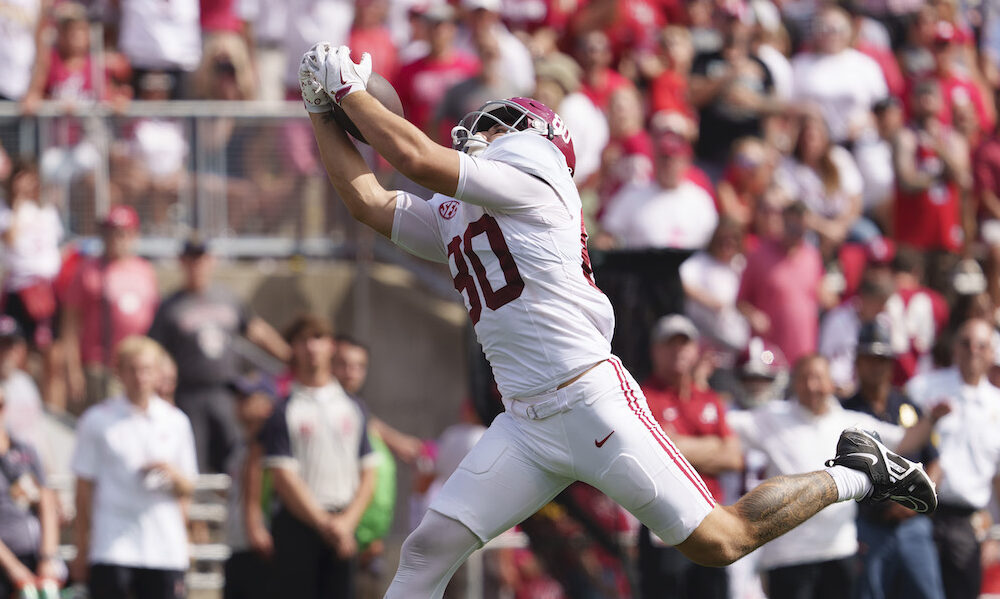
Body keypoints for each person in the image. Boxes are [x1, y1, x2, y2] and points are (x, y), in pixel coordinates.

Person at [298, 43, 939, 598]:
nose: (481, 127)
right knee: (426, 549)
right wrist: (322, 110)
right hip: (524, 423)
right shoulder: (463, 210)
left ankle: (856, 473)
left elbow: (411, 157)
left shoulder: (535, 171)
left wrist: (348, 89)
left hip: (589, 399)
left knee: (720, 540)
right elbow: (369, 201)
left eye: (500, 123)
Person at [729, 354, 938, 599]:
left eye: (817, 378)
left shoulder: (850, 423)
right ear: (793, 383)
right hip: (787, 555)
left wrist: (933, 418)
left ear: (831, 383)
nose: (811, 386)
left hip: (839, 551)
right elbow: (726, 424)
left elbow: (903, 440)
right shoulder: (772, 416)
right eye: (804, 378)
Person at [70, 335, 198, 599]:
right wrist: (82, 546)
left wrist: (172, 475)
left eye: (147, 370)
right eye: (133, 369)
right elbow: (83, 489)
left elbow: (188, 486)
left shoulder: (175, 421)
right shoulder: (98, 420)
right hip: (113, 544)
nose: (140, 377)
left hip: (164, 546)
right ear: (119, 373)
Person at [259, 315, 377, 598]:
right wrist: (326, 525)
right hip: (299, 526)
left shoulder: (353, 406)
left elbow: (369, 473)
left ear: (331, 346)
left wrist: (346, 523)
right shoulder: (282, 410)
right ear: (293, 348)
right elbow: (284, 478)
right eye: (303, 340)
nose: (312, 347)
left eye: (319, 338)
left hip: (343, 525)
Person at [149, 236, 289, 473]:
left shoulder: (228, 298)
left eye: (202, 259)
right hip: (189, 392)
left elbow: (255, 329)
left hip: (226, 391)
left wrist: (289, 356)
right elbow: (156, 351)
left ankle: (229, 507)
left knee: (232, 455)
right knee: (194, 458)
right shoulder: (170, 306)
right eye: (191, 260)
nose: (197, 266)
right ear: (182, 262)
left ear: (211, 261)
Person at [638, 315, 742, 599]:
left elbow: (733, 457)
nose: (678, 351)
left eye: (684, 344)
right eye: (669, 344)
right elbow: (655, 455)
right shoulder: (640, 397)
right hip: (665, 523)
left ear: (695, 350)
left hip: (712, 519)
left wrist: (679, 445)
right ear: (654, 351)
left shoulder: (708, 399)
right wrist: (712, 446)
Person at [842, 320, 947, 599]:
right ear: (857, 362)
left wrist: (921, 500)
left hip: (913, 524)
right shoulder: (845, 411)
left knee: (929, 593)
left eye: (882, 359)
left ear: (891, 363)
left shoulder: (908, 405)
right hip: (866, 524)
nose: (877, 366)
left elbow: (935, 463)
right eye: (869, 358)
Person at [905, 318, 1000, 599]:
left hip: (968, 522)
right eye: (966, 343)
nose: (973, 351)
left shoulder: (998, 403)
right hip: (919, 513)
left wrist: (997, 534)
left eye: (982, 345)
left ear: (992, 352)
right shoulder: (923, 388)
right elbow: (903, 445)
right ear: (954, 348)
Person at [62, 206, 160, 410]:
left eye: (124, 233)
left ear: (134, 235)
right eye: (112, 233)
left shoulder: (144, 270)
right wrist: (73, 370)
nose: (118, 239)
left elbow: (155, 321)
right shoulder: (88, 271)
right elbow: (70, 325)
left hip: (138, 368)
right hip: (100, 366)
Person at [0, 159, 64, 411]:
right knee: (16, 354)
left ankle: (54, 410)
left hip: (46, 289)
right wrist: (16, 204)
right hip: (19, 288)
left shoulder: (46, 212)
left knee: (52, 355)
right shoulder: (5, 211)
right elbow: (11, 239)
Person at [737, 201, 827, 366]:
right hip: (769, 353)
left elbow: (821, 297)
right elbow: (740, 301)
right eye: (791, 226)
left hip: (803, 353)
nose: (796, 233)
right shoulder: (759, 255)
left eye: (801, 229)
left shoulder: (812, 257)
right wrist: (754, 315)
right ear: (782, 222)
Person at [600, 132, 719, 250]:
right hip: (641, 265)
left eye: (674, 159)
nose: (668, 165)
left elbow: (712, 244)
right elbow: (607, 235)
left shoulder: (700, 200)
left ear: (686, 161)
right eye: (664, 158)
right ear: (655, 159)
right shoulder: (633, 193)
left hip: (687, 265)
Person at [0, 385, 60, 599]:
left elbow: (47, 503)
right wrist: (13, 568)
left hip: (35, 555)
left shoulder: (25, 450)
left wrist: (47, 557)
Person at [223, 374, 276, 599]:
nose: (239, 401)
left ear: (268, 403)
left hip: (264, 547)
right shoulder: (238, 446)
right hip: (235, 545)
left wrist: (259, 527)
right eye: (238, 396)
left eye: (248, 396)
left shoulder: (277, 446)